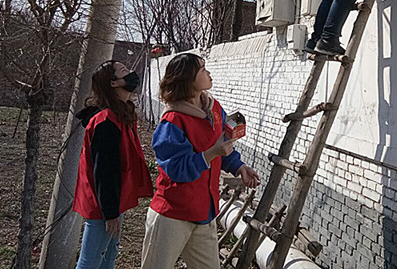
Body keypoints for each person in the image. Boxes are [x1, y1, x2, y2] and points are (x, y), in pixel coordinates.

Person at [141, 53, 261, 269]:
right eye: (203, 69)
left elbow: (223, 144)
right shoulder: (172, 122)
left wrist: (239, 166)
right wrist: (209, 154)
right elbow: (175, 170)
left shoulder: (214, 109)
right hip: (172, 215)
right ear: (188, 79)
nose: (209, 72)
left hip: (204, 212)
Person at [73, 60, 153, 269]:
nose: (131, 75)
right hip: (103, 203)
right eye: (124, 71)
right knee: (91, 260)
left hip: (113, 200)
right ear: (114, 83)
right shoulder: (106, 121)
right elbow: (104, 171)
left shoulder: (120, 114)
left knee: (107, 256)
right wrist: (110, 212)